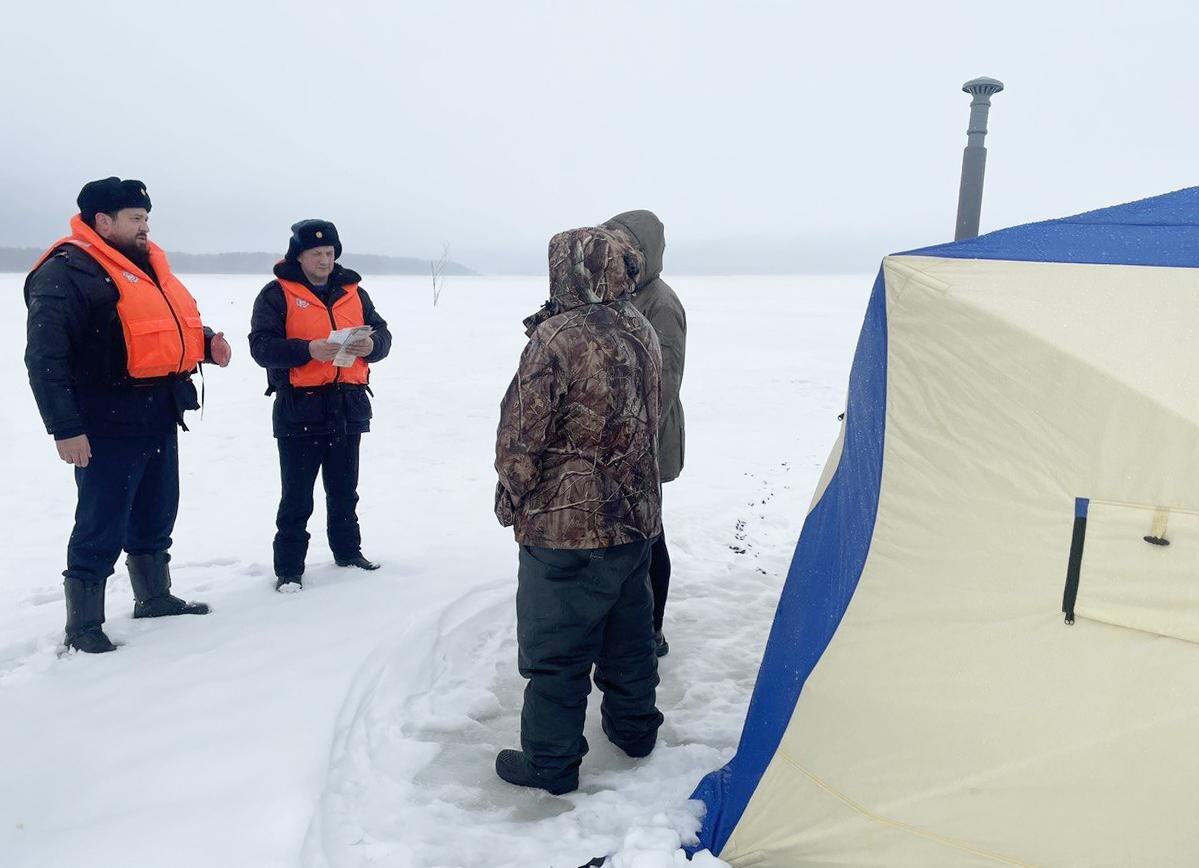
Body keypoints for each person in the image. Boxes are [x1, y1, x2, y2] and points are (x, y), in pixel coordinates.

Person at [24, 177, 232, 654]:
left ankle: (154, 596)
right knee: (102, 519)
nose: (145, 228)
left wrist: (205, 344)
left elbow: (154, 328)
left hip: (158, 411)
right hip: (103, 421)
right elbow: (45, 359)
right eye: (136, 219)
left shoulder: (144, 267)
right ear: (103, 221)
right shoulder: (65, 273)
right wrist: (66, 428)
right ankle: (83, 625)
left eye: (146, 219)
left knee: (157, 508)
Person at [493, 226, 664, 795]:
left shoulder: (557, 337)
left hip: (565, 528)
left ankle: (550, 762)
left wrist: (511, 494)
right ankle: (636, 731)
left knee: (556, 652)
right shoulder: (640, 327)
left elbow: (522, 433)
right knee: (628, 636)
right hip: (635, 518)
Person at [248, 220, 392, 592]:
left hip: (349, 404)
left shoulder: (355, 293)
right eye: (317, 254)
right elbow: (261, 347)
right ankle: (289, 569)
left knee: (345, 489)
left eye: (330, 253)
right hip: (300, 407)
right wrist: (306, 349)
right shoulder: (275, 294)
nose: (325, 260)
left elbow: (384, 334)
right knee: (297, 496)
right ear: (299, 255)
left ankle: (348, 553)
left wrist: (372, 347)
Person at [602, 210, 686, 658]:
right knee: (627, 535)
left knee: (649, 536)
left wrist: (632, 438)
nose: (613, 251)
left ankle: (651, 630)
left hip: (648, 440)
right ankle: (623, 620)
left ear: (644, 250)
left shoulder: (660, 303)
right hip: (615, 438)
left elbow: (664, 382)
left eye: (622, 243)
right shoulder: (612, 294)